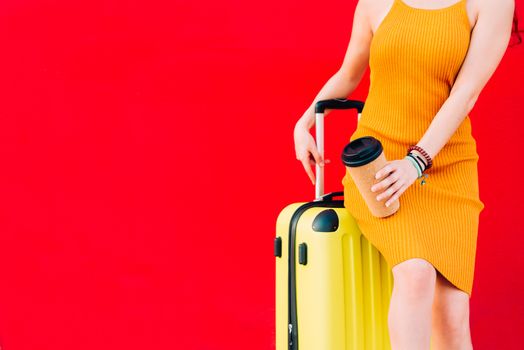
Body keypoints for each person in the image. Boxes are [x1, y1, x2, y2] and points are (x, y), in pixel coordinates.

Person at [293, 0, 518, 348]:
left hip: (447, 167)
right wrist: (305, 120)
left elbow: (466, 93)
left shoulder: (492, 3)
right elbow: (349, 74)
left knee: (452, 315)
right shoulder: (375, 3)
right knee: (415, 275)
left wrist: (417, 161)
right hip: (379, 168)